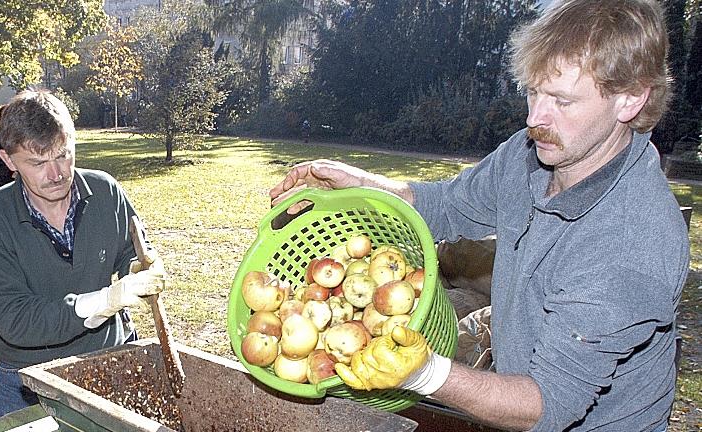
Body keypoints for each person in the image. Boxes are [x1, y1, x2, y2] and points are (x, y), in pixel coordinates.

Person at [269, 1, 688, 430]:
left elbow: (546, 405)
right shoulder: (533, 154)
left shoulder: (631, 242)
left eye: (562, 100)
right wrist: (357, 186)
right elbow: (447, 206)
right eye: (533, 91)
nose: (535, 119)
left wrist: (424, 374)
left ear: (631, 99)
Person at [0, 90, 166, 419]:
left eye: (63, 155)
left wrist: (138, 269)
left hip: (107, 360)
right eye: (37, 162)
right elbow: (16, 322)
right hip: (28, 381)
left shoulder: (105, 191)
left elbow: (129, 253)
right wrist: (104, 301)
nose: (56, 173)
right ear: (8, 161)